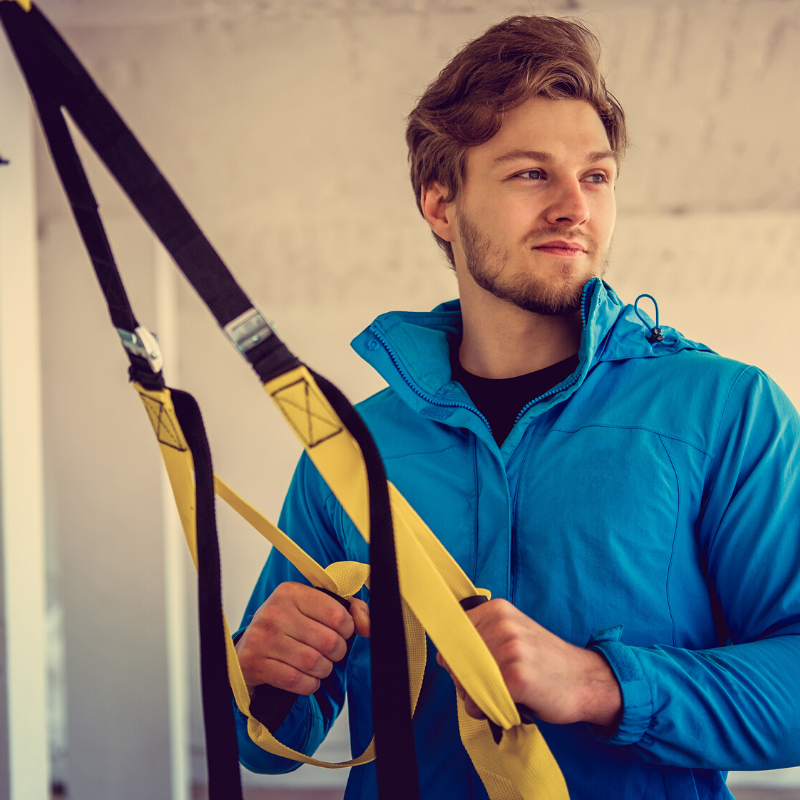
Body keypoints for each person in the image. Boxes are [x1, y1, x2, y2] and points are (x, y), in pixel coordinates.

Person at [233, 15, 800, 799]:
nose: (575, 206)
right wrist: (265, 675)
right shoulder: (351, 447)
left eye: (596, 176)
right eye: (532, 173)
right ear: (440, 203)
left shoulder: (728, 411)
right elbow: (265, 748)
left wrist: (601, 684)